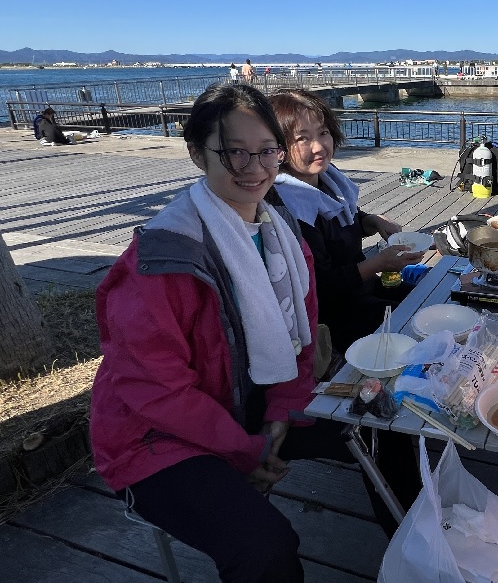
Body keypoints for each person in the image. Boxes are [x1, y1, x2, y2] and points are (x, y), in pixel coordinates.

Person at [89, 83, 418, 583]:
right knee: (266, 550)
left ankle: (416, 549)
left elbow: (301, 343)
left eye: (266, 151)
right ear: (198, 153)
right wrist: (248, 448)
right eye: (233, 152)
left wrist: (282, 414)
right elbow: (155, 390)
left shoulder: (282, 239)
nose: (255, 167)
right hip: (156, 439)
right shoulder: (161, 261)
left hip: (252, 409)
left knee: (384, 425)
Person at [267, 89, 423, 357]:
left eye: (323, 133)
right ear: (278, 148)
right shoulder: (288, 209)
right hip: (336, 316)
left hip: (364, 289)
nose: (318, 146)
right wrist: (380, 263)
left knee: (427, 300)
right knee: (418, 327)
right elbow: (320, 290)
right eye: (303, 138)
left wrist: (371, 221)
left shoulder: (327, 179)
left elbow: (344, 217)